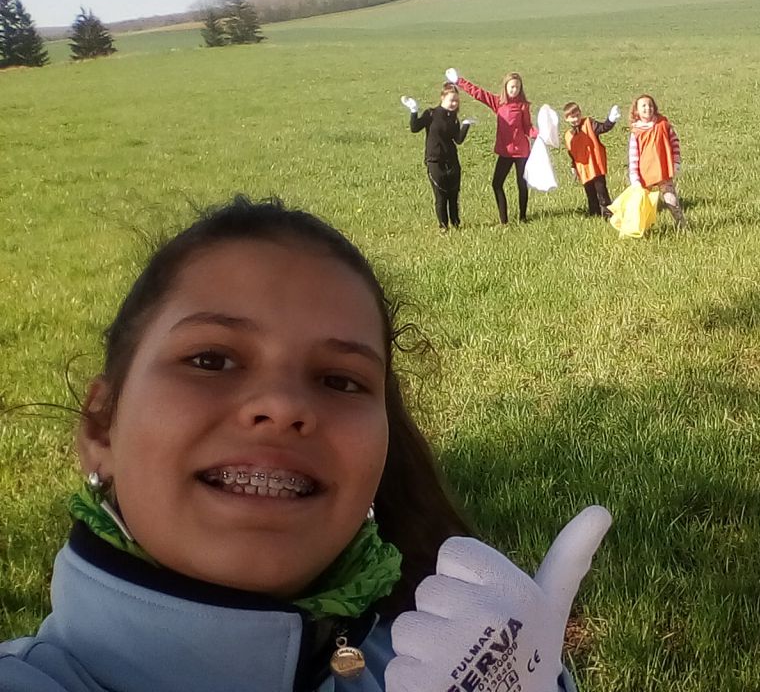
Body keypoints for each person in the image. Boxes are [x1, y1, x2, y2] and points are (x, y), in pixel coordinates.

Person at [0, 197, 611, 692]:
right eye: (212, 360)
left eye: (340, 381)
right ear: (101, 424)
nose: (285, 405)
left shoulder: (454, 667)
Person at [446, 67, 536, 224]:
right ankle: (504, 221)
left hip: (521, 152)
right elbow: (478, 93)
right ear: (505, 87)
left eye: (517, 87)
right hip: (505, 152)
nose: (514, 90)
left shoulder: (523, 106)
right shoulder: (498, 103)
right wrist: (459, 81)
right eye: (512, 87)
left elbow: (528, 127)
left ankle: (523, 218)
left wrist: (539, 134)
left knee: (522, 184)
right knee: (496, 184)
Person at [401, 84, 474, 232]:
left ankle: (456, 223)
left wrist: (466, 125)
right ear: (442, 98)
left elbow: (458, 140)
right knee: (441, 195)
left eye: (456, 101)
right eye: (451, 100)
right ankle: (443, 226)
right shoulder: (431, 114)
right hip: (435, 160)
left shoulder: (453, 119)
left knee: (453, 194)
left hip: (452, 160)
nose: (454, 103)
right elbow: (415, 128)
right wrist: (414, 110)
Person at [627, 94, 685, 228]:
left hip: (662, 170)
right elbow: (633, 156)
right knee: (641, 202)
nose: (648, 108)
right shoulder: (636, 132)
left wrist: (676, 162)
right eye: (643, 106)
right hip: (644, 173)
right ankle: (641, 228)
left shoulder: (663, 125)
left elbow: (674, 142)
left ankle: (682, 225)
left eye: (650, 105)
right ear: (636, 111)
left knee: (671, 199)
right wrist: (634, 177)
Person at [563, 102, 620, 218]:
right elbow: (572, 153)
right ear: (566, 119)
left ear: (580, 113)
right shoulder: (568, 135)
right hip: (583, 170)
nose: (576, 119)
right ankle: (594, 215)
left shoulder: (589, 124)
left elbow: (603, 128)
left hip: (595, 166)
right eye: (572, 117)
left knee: (601, 191)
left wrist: (611, 120)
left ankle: (608, 215)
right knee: (590, 194)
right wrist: (573, 166)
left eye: (577, 115)